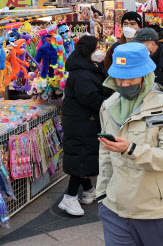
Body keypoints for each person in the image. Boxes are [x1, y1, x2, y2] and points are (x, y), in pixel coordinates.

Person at [97, 43, 163, 245]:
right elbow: (105, 155)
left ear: (145, 76)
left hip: (154, 211)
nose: (123, 84)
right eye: (119, 77)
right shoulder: (108, 106)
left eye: (130, 78)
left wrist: (131, 149)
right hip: (114, 209)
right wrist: (103, 196)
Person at [59, 36, 113, 216]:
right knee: (81, 158)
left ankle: (88, 190)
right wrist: (110, 103)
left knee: (86, 155)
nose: (100, 51)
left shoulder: (87, 68)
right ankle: (69, 197)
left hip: (83, 121)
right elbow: (90, 99)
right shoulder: (81, 73)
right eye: (97, 48)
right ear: (88, 50)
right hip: (81, 122)